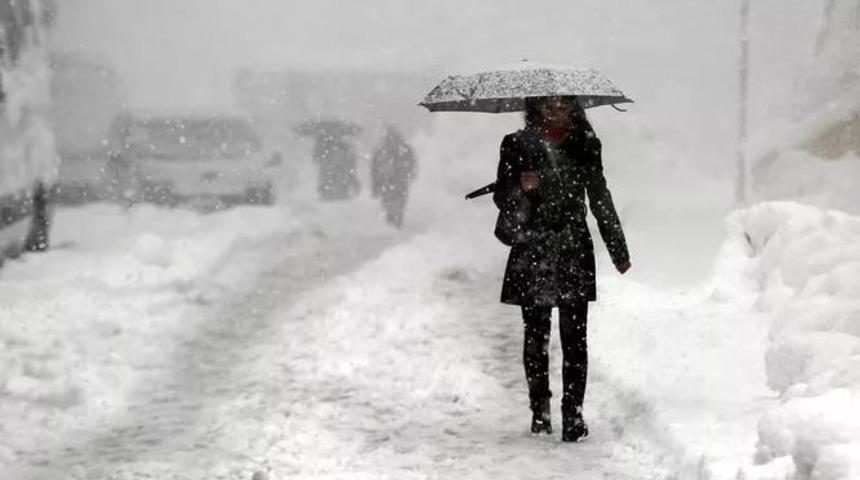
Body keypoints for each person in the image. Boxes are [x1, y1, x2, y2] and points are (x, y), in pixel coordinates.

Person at [492, 96, 631, 442]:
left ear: (573, 107)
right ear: (535, 107)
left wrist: (617, 248)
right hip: (532, 246)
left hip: (572, 247)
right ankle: (539, 410)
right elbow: (501, 196)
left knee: (575, 338)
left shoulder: (586, 144)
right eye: (548, 105)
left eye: (562, 105)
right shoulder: (516, 144)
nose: (555, 110)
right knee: (535, 335)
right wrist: (521, 188)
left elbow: (599, 195)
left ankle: (573, 415)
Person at [370, 126, 417, 227]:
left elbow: (375, 169)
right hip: (394, 183)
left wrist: (376, 185)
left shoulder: (382, 150)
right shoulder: (403, 149)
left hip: (391, 183)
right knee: (395, 206)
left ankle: (393, 225)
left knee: (393, 206)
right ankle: (394, 225)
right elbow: (411, 165)